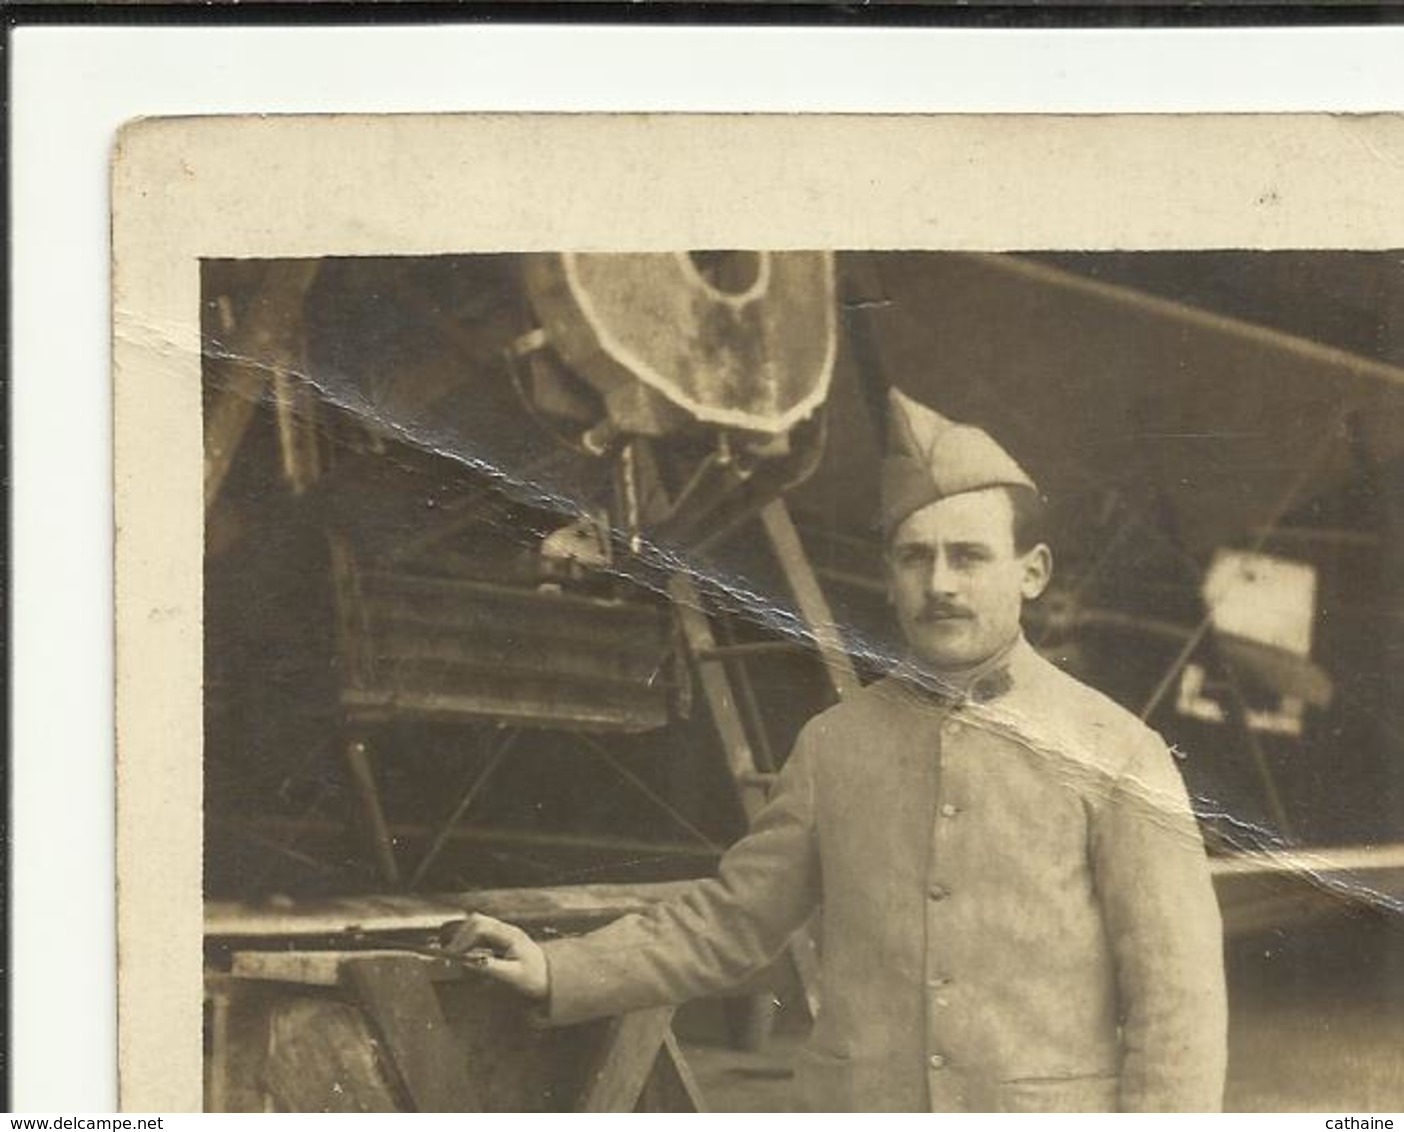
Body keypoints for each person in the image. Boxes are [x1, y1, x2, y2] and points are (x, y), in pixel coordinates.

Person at [448, 388, 1228, 1112]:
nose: (940, 584)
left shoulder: (1119, 752)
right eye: (915, 557)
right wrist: (559, 967)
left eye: (969, 556)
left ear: (1032, 573)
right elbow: (730, 923)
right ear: (889, 576)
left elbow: (1179, 1003)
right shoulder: (835, 744)